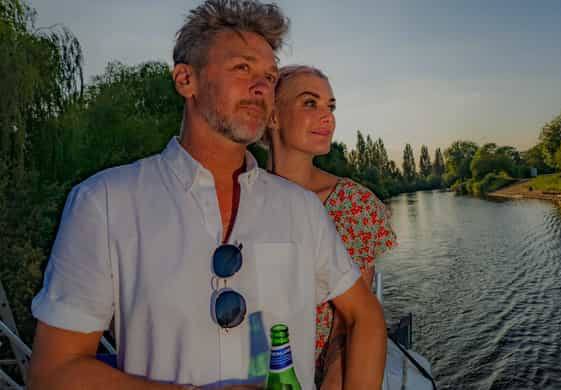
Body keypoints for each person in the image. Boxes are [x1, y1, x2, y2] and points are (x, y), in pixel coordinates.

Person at [26, 1, 387, 389]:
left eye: (269, 76)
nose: (261, 87)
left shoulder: (301, 209)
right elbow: (53, 371)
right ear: (186, 80)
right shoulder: (104, 203)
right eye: (242, 68)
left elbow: (364, 316)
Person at [264, 65, 397, 389]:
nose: (329, 117)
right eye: (310, 103)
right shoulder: (233, 195)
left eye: (331, 106)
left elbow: (348, 327)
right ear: (273, 116)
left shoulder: (354, 206)